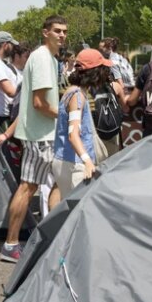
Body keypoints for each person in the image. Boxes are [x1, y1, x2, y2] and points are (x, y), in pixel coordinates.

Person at [0, 15, 67, 263]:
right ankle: (12, 244)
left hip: (39, 134)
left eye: (64, 31)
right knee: (29, 187)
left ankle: (50, 237)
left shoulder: (43, 58)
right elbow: (38, 104)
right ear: (45, 32)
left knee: (55, 184)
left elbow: (31, 103)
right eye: (57, 30)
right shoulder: (44, 58)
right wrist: (65, 113)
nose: (62, 35)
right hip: (41, 136)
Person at [51, 49, 110, 200]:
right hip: (75, 165)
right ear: (95, 72)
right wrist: (88, 161)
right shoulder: (77, 95)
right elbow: (73, 134)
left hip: (64, 160)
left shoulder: (71, 92)